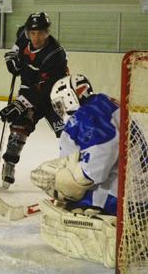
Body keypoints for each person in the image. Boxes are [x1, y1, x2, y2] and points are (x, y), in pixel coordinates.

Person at [29, 74, 144, 268]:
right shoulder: (103, 103)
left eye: (59, 104)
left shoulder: (85, 115)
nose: (60, 110)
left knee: (73, 203)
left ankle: (109, 228)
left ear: (69, 96)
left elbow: (101, 154)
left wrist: (72, 182)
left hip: (125, 196)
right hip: (139, 191)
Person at [0, 12, 68, 188]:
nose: (36, 38)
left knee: (68, 134)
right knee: (18, 128)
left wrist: (19, 104)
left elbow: (44, 91)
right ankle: (9, 164)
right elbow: (16, 50)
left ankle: (71, 174)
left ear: (48, 32)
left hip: (55, 95)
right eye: (33, 33)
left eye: (41, 33)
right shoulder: (23, 34)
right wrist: (12, 59)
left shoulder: (55, 54)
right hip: (29, 88)